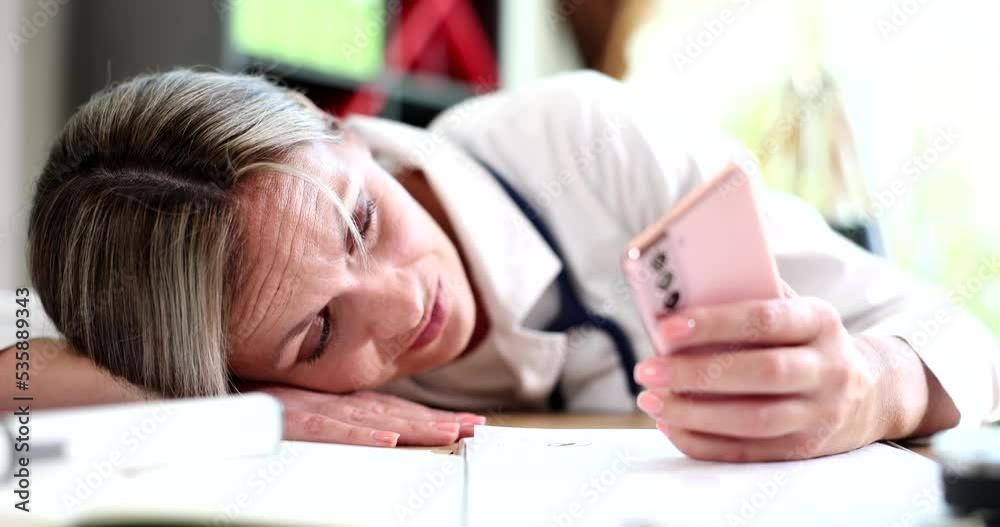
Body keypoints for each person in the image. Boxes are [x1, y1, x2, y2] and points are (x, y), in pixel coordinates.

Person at [2, 69, 997, 462]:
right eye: (318, 332)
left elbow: (966, 338)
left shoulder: (583, 143)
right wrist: (240, 406)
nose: (404, 302)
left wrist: (878, 386)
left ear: (336, 126)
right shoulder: (207, 331)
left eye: (361, 221)